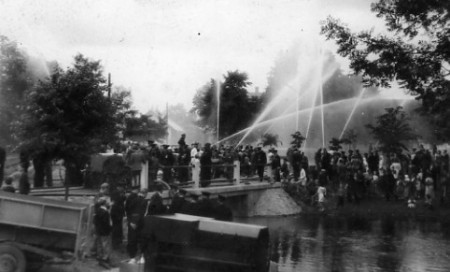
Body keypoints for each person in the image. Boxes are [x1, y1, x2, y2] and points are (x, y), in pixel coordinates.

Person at [94, 197, 112, 269]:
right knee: (105, 244)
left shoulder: (98, 210)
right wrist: (110, 229)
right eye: (108, 202)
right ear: (105, 203)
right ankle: (105, 257)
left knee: (99, 243)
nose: (109, 203)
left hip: (98, 230)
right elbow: (107, 223)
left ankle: (99, 256)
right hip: (105, 231)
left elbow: (95, 221)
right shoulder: (106, 213)